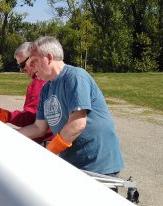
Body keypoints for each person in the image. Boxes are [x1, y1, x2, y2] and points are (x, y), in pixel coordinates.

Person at [18, 36, 123, 176]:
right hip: (73, 164)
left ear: (48, 58)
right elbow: (39, 128)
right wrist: (9, 136)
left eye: (34, 61)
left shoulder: (75, 77)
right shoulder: (46, 89)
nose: (30, 67)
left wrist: (47, 154)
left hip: (97, 165)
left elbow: (78, 123)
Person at [0, 42, 53, 145]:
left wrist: (6, 116)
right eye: (19, 66)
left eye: (23, 64)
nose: (21, 69)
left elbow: (31, 117)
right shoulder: (47, 79)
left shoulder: (39, 83)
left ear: (33, 58)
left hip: (44, 143)